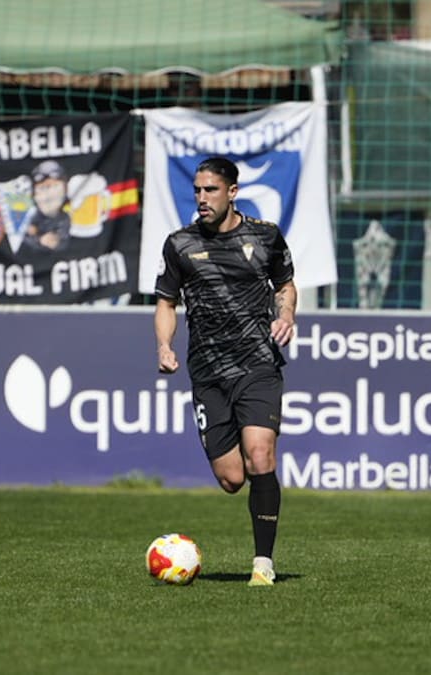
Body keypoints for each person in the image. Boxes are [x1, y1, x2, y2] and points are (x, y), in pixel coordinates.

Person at [153, 156, 297, 587]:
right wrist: (164, 344)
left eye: (210, 190)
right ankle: (257, 498)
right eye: (197, 190)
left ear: (232, 192)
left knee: (261, 454)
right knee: (233, 478)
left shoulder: (265, 236)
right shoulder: (179, 244)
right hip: (208, 372)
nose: (202, 198)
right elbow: (165, 301)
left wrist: (285, 313)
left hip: (257, 364)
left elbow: (285, 284)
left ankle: (263, 564)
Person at [20, 159, 72, 253]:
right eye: (43, 188)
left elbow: (62, 241)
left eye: (55, 187)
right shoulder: (28, 217)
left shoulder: (64, 218)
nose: (49, 193)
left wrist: (53, 241)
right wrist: (37, 238)